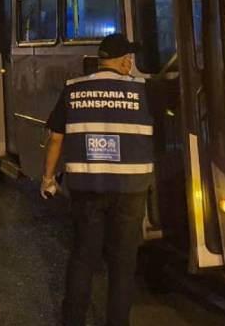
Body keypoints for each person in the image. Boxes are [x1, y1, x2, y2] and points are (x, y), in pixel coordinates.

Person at [41, 33, 155, 326]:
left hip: (87, 188)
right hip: (130, 190)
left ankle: (73, 320)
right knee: (123, 263)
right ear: (125, 61)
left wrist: (48, 178)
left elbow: (56, 138)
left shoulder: (74, 89)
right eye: (129, 58)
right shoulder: (143, 91)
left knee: (83, 257)